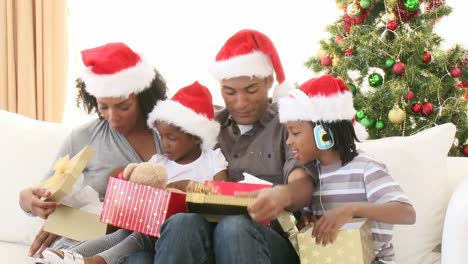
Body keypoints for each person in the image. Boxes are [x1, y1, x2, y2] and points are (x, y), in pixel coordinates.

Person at [152, 29, 316, 264]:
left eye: (251, 90)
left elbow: (302, 184)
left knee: (235, 226)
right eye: (229, 92)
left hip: (269, 240)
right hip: (205, 236)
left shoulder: (287, 125)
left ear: (269, 81)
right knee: (181, 223)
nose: (241, 103)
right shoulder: (203, 127)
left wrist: (282, 194)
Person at [41, 81, 229, 264]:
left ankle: (97, 261)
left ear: (196, 137)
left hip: (192, 231)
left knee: (140, 236)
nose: (164, 144)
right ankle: (68, 255)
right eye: (161, 136)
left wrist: (189, 187)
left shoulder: (213, 159)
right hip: (153, 228)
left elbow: (223, 193)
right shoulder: (158, 162)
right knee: (126, 233)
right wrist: (125, 178)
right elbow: (139, 184)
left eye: (171, 138)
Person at [18, 42, 168, 263]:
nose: (113, 117)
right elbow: (48, 194)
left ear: (142, 97)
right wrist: (27, 200)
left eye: (123, 106)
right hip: (90, 237)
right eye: (103, 106)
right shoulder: (84, 137)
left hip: (150, 238)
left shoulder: (169, 134)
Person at [278, 74, 416, 263]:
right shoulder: (312, 176)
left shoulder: (366, 168)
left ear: (323, 132)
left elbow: (407, 213)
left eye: (295, 132)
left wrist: (351, 209)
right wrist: (307, 221)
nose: (289, 141)